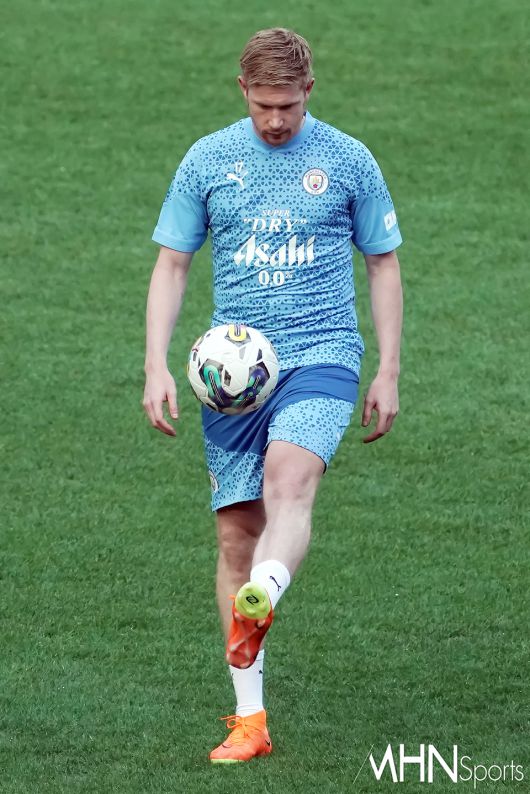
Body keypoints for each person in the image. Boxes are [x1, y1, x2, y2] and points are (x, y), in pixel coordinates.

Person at [143, 27, 403, 763]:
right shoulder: (209, 159)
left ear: (308, 91)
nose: (276, 120)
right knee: (236, 534)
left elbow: (383, 264)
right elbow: (172, 264)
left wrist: (387, 369)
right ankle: (249, 720)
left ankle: (265, 588)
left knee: (289, 481)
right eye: (263, 106)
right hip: (234, 378)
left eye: (288, 105)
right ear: (243, 92)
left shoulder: (347, 160)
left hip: (322, 354)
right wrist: (156, 364)